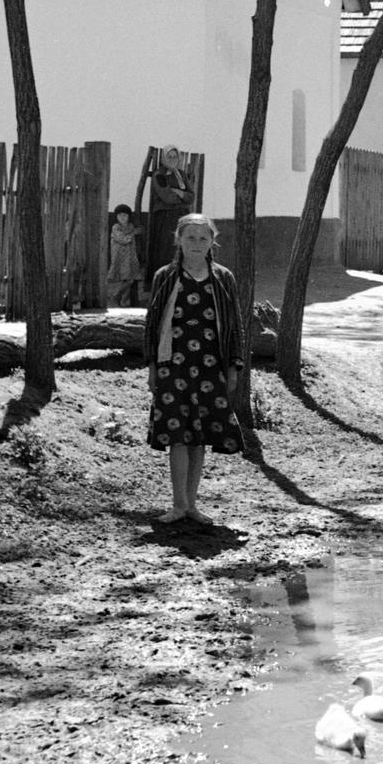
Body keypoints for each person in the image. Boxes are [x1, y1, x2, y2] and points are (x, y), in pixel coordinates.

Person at [143, 213, 245, 527]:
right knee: (177, 435)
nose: (196, 244)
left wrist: (234, 366)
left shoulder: (223, 278)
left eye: (203, 238)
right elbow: (153, 322)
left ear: (213, 241)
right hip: (173, 365)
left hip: (210, 367)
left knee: (199, 437)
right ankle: (178, 505)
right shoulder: (166, 276)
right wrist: (151, 366)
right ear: (179, 240)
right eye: (190, 238)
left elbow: (234, 325)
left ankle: (193, 506)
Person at [144, 144, 193, 285]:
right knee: (166, 247)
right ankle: (164, 281)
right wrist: (183, 197)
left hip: (182, 216)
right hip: (166, 217)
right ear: (164, 158)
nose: (172, 159)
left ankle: (180, 279)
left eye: (175, 156)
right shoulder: (159, 175)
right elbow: (167, 197)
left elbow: (192, 197)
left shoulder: (182, 175)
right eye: (169, 156)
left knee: (181, 246)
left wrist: (178, 192)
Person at [105, 203, 142, 307]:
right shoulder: (116, 227)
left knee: (130, 279)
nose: (122, 217)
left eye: (125, 215)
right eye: (120, 215)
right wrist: (134, 233)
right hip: (120, 258)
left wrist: (136, 231)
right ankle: (116, 296)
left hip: (130, 258)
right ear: (116, 217)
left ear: (129, 217)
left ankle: (122, 300)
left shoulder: (130, 226)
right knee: (124, 279)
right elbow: (124, 239)